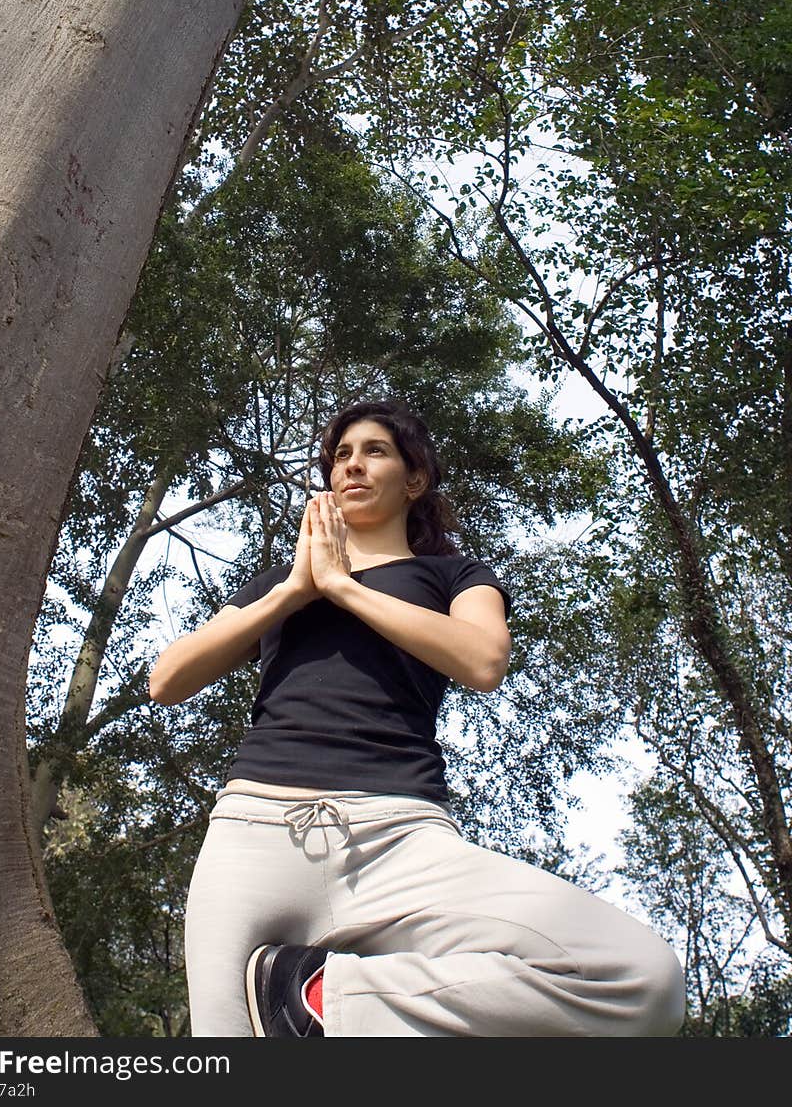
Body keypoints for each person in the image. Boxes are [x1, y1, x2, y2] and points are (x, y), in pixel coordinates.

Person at [149, 398, 686, 1038]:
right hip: (254, 832)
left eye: (374, 451)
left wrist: (344, 586)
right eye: (340, 456)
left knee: (640, 977)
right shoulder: (281, 584)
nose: (352, 465)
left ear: (414, 479)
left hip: (401, 838)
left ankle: (321, 997)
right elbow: (167, 680)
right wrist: (299, 588)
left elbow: (483, 661)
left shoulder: (454, 574)